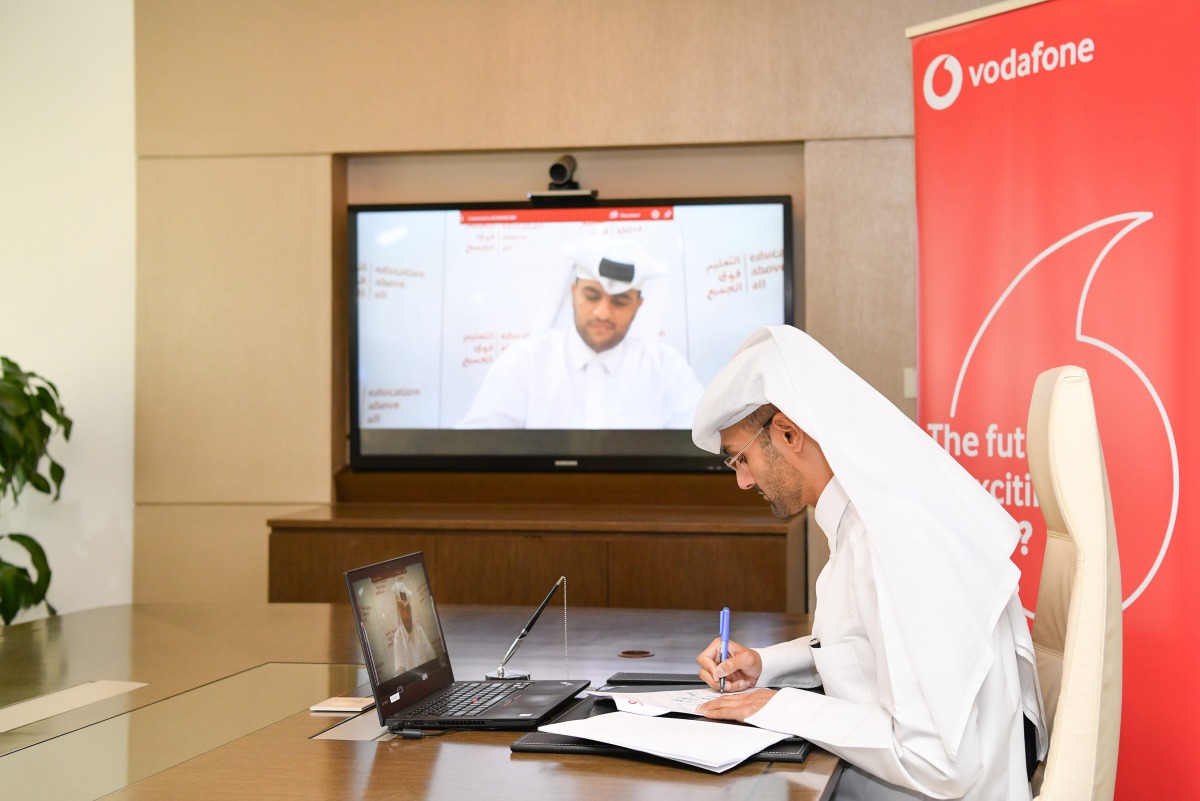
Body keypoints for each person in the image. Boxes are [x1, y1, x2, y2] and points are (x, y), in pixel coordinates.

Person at [692, 326, 1046, 801]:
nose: (743, 481)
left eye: (741, 458)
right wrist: (765, 666)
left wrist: (778, 707)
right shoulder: (866, 522)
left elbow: (940, 761)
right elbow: (866, 652)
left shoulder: (897, 538)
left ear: (789, 434)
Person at [457, 237, 703, 429]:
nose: (602, 313)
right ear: (573, 292)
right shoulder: (524, 362)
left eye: (619, 302)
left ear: (638, 306)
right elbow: (476, 446)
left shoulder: (667, 369)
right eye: (592, 296)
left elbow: (704, 449)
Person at [391, 577, 436, 674]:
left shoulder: (419, 631)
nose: (406, 615)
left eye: (407, 609)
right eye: (402, 610)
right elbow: (399, 672)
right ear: (399, 612)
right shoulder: (398, 639)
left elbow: (431, 657)